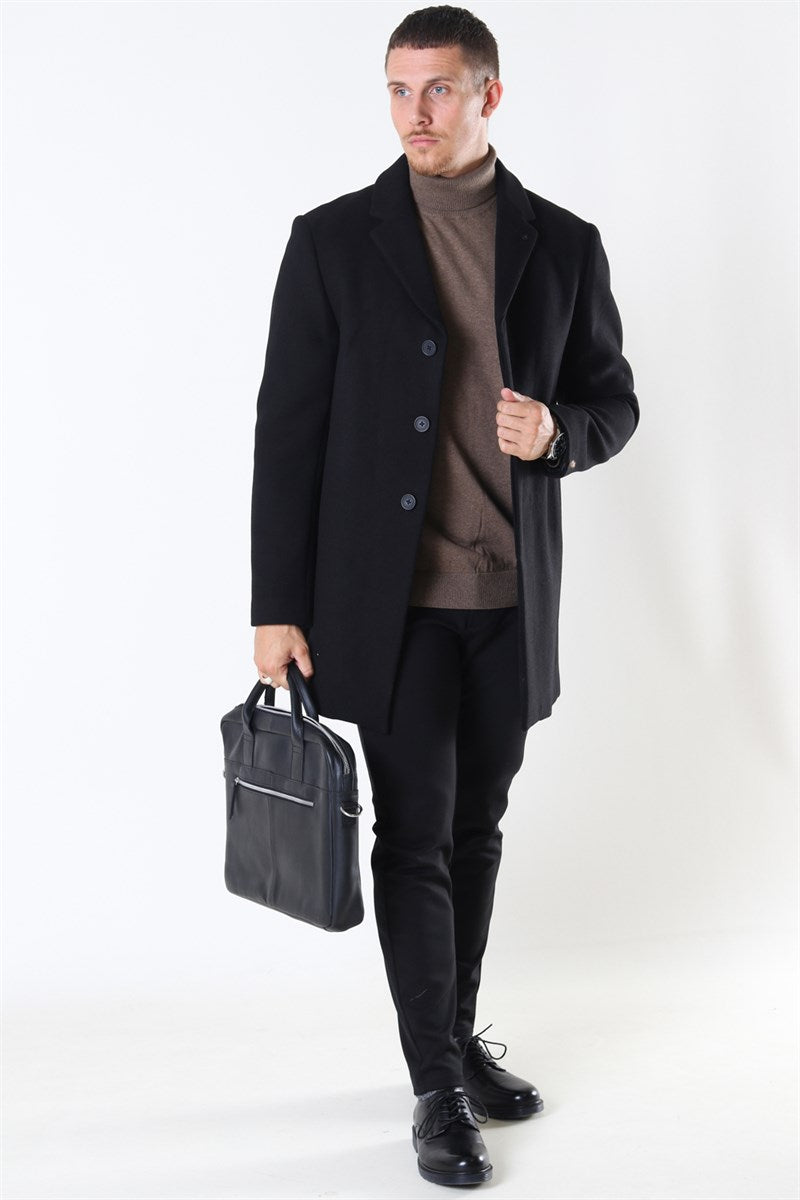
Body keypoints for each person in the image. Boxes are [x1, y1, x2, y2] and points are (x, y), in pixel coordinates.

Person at [250, 5, 639, 1187]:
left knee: (476, 829)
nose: (412, 113)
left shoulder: (561, 244)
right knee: (414, 832)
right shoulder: (333, 241)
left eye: (435, 89)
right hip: (390, 605)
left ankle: (456, 1043)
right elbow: (287, 432)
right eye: (396, 89)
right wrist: (275, 605)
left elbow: (613, 401)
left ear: (487, 96)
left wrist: (556, 432)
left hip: (508, 602)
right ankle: (434, 1089)